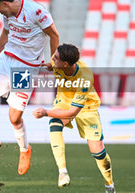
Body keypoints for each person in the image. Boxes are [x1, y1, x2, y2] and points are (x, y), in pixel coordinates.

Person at [0, 0, 60, 175]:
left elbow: (54, 35)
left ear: (5, 3)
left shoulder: (36, 12)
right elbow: (6, 34)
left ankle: (25, 150)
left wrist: (54, 60)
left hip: (25, 69)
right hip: (7, 60)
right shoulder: (7, 14)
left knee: (14, 117)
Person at [32, 44, 115, 193]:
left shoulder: (85, 77)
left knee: (98, 152)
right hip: (64, 99)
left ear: (65, 64)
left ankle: (109, 185)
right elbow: (52, 64)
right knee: (55, 124)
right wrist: (49, 66)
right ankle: (62, 172)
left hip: (86, 106)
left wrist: (46, 112)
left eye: (55, 58)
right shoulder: (58, 63)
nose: (53, 59)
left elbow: (72, 112)